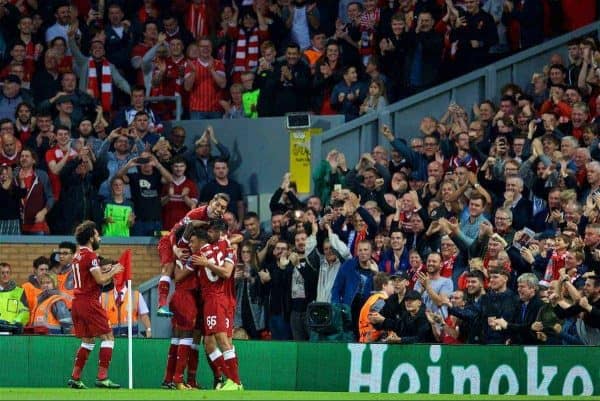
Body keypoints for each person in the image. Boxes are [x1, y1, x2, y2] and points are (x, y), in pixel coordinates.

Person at [67, 220, 124, 389]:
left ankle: (75, 377)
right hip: (89, 302)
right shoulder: (91, 256)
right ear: (91, 238)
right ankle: (102, 377)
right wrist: (113, 270)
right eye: (98, 235)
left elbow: (90, 277)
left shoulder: (77, 255)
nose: (100, 238)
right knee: (108, 337)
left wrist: (104, 272)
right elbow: (100, 280)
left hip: (77, 302)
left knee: (88, 341)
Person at [99, 258, 151, 338]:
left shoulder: (136, 295)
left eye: (119, 275)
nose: (117, 277)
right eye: (115, 275)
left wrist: (148, 330)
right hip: (111, 338)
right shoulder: (103, 296)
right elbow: (98, 317)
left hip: (132, 340)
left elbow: (144, 315)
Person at [358, 272, 395, 343]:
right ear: (384, 285)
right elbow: (376, 321)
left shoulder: (373, 298)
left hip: (368, 339)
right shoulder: (381, 300)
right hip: (375, 341)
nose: (394, 287)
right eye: (391, 285)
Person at [0, 262, 30, 332]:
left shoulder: (19, 292)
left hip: (13, 331)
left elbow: (25, 311)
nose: (5, 275)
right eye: (2, 273)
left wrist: (16, 323)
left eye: (8, 273)